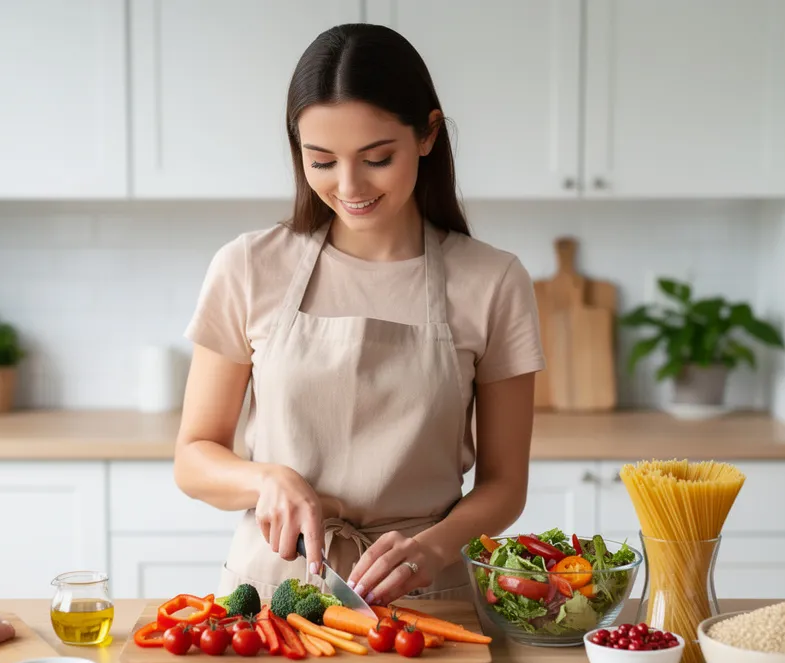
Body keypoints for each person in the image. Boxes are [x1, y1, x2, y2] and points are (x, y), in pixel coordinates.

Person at [174, 23, 545, 606]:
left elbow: (505, 486)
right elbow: (194, 457)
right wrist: (264, 478)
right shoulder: (247, 266)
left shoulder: (494, 281)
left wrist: (435, 547)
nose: (349, 187)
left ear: (428, 134)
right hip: (270, 595)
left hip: (424, 596)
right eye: (320, 161)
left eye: (376, 158)